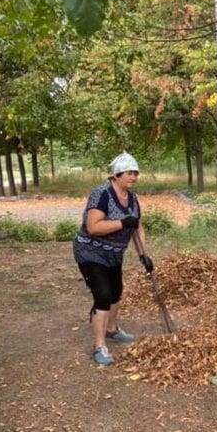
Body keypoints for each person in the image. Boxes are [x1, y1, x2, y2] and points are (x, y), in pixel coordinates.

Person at [73, 152, 154, 366]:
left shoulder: (132, 198)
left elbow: (137, 226)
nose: (134, 177)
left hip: (114, 253)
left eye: (136, 173)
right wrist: (121, 223)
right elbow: (93, 227)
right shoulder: (102, 194)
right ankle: (99, 346)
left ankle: (111, 329)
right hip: (90, 251)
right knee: (103, 294)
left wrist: (143, 255)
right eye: (129, 173)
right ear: (117, 175)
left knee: (116, 291)